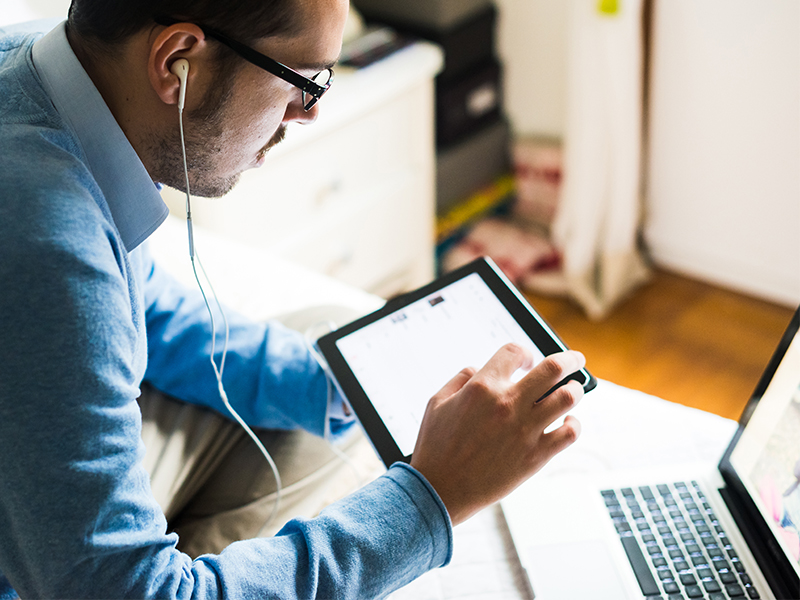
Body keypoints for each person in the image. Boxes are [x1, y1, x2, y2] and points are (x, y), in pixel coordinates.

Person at [0, 0, 586, 598]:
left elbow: (139, 304)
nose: (309, 111)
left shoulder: (42, 67)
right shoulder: (50, 240)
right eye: (301, 80)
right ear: (176, 61)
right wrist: (433, 495)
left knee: (333, 342)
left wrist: (338, 383)